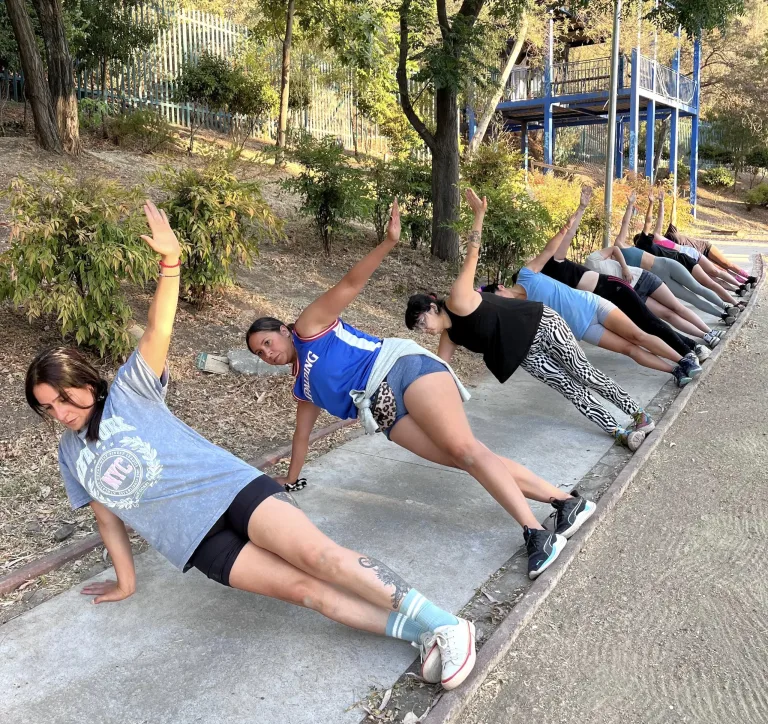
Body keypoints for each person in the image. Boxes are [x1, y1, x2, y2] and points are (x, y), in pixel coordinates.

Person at [26, 201, 476, 691]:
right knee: (310, 595)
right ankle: (421, 632)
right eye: (49, 408)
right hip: (197, 543)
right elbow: (106, 515)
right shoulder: (70, 455)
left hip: (232, 490)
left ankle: (446, 625)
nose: (62, 413)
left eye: (64, 398)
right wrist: (126, 581)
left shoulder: (132, 390)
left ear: (87, 383)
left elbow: (159, 328)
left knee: (321, 559)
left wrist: (170, 262)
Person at [246, 199, 594, 581]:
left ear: (281, 329)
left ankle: (536, 533)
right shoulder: (301, 385)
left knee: (466, 450)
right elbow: (302, 434)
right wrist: (291, 479)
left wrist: (388, 242)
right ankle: (564, 503)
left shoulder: (309, 327)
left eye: (267, 342)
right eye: (259, 353)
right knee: (466, 458)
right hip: (382, 412)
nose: (268, 353)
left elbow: (350, 284)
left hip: (399, 369)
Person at [405, 189, 654, 452]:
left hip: (542, 324)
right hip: (525, 354)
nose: (425, 331)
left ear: (433, 307)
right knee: (569, 389)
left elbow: (472, 257)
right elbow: (440, 371)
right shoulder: (449, 336)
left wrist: (479, 215)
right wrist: (417, 405)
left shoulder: (458, 299)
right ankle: (620, 432)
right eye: (418, 330)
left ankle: (639, 415)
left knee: (584, 373)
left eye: (422, 322)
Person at [481, 197, 699, 388]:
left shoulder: (526, 275)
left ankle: (684, 360)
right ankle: (675, 372)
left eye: (496, 298)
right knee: (629, 350)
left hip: (593, 305)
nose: (500, 305)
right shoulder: (518, 311)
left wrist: (565, 229)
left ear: (501, 287)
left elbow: (549, 251)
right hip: (583, 328)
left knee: (638, 335)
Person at [538, 186, 710, 367]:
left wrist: (581, 208)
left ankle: (690, 351)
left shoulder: (554, 262)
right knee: (644, 326)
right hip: (606, 300)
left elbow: (569, 234)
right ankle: (690, 348)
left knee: (649, 322)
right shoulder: (546, 286)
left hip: (614, 288)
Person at [585, 192, 723, 350]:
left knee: (680, 305)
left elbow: (628, 224)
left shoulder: (620, 247)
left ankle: (712, 329)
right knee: (668, 314)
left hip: (648, 277)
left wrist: (633, 204)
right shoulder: (593, 278)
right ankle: (706, 336)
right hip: (636, 291)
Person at [613, 194, 741, 325]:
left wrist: (631, 205)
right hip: (662, 278)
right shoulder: (617, 266)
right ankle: (724, 315)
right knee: (691, 298)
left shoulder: (631, 244)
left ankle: (727, 306)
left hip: (669, 265)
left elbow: (631, 223)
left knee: (697, 287)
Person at [649, 191, 748, 295]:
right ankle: (737, 290)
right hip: (685, 264)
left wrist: (661, 202)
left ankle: (740, 284)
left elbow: (657, 219)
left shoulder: (659, 237)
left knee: (715, 271)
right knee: (711, 280)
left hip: (692, 253)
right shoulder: (651, 253)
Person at [664, 222, 757, 290]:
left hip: (705, 247)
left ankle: (748, 277)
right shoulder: (666, 249)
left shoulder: (670, 234)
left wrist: (667, 202)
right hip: (698, 257)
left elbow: (672, 218)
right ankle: (744, 283)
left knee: (726, 263)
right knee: (720, 270)